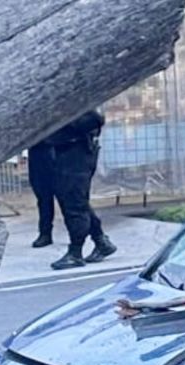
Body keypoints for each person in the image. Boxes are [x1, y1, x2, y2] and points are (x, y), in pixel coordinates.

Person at [28, 110, 117, 270]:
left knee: (74, 203)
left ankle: (76, 252)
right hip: (66, 151)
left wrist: (64, 123)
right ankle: (100, 241)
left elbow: (95, 119)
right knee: (75, 201)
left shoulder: (77, 106)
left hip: (77, 152)